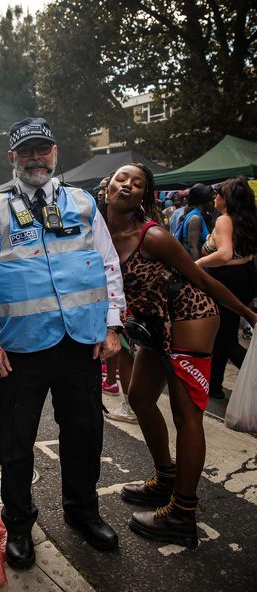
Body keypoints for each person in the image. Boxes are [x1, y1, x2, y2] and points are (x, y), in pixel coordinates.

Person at [0, 116, 126, 568]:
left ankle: (82, 512)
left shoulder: (84, 203)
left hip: (80, 343)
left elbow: (108, 265)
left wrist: (112, 325)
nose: (36, 157)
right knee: (15, 443)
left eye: (43, 149)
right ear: (12, 157)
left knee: (85, 433)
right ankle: (18, 525)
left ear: (56, 154)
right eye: (26, 150)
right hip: (19, 351)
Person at [103, 163, 257, 547]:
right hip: (154, 325)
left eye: (138, 184)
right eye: (122, 178)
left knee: (186, 415)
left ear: (145, 196)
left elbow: (202, 278)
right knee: (138, 397)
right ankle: (165, 479)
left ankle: (182, 514)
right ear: (107, 186)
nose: (128, 186)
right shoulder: (97, 231)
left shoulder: (152, 235)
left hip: (190, 316)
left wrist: (250, 315)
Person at [196, 177, 257, 398]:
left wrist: (196, 265)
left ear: (227, 199)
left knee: (225, 338)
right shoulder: (247, 219)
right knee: (225, 333)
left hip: (227, 280)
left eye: (218, 194)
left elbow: (224, 254)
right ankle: (214, 386)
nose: (214, 197)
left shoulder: (224, 221)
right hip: (246, 276)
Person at [174, 183, 215, 260]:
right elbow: (193, 248)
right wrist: (198, 269)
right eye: (211, 200)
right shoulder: (195, 219)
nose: (213, 203)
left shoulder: (200, 216)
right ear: (204, 201)